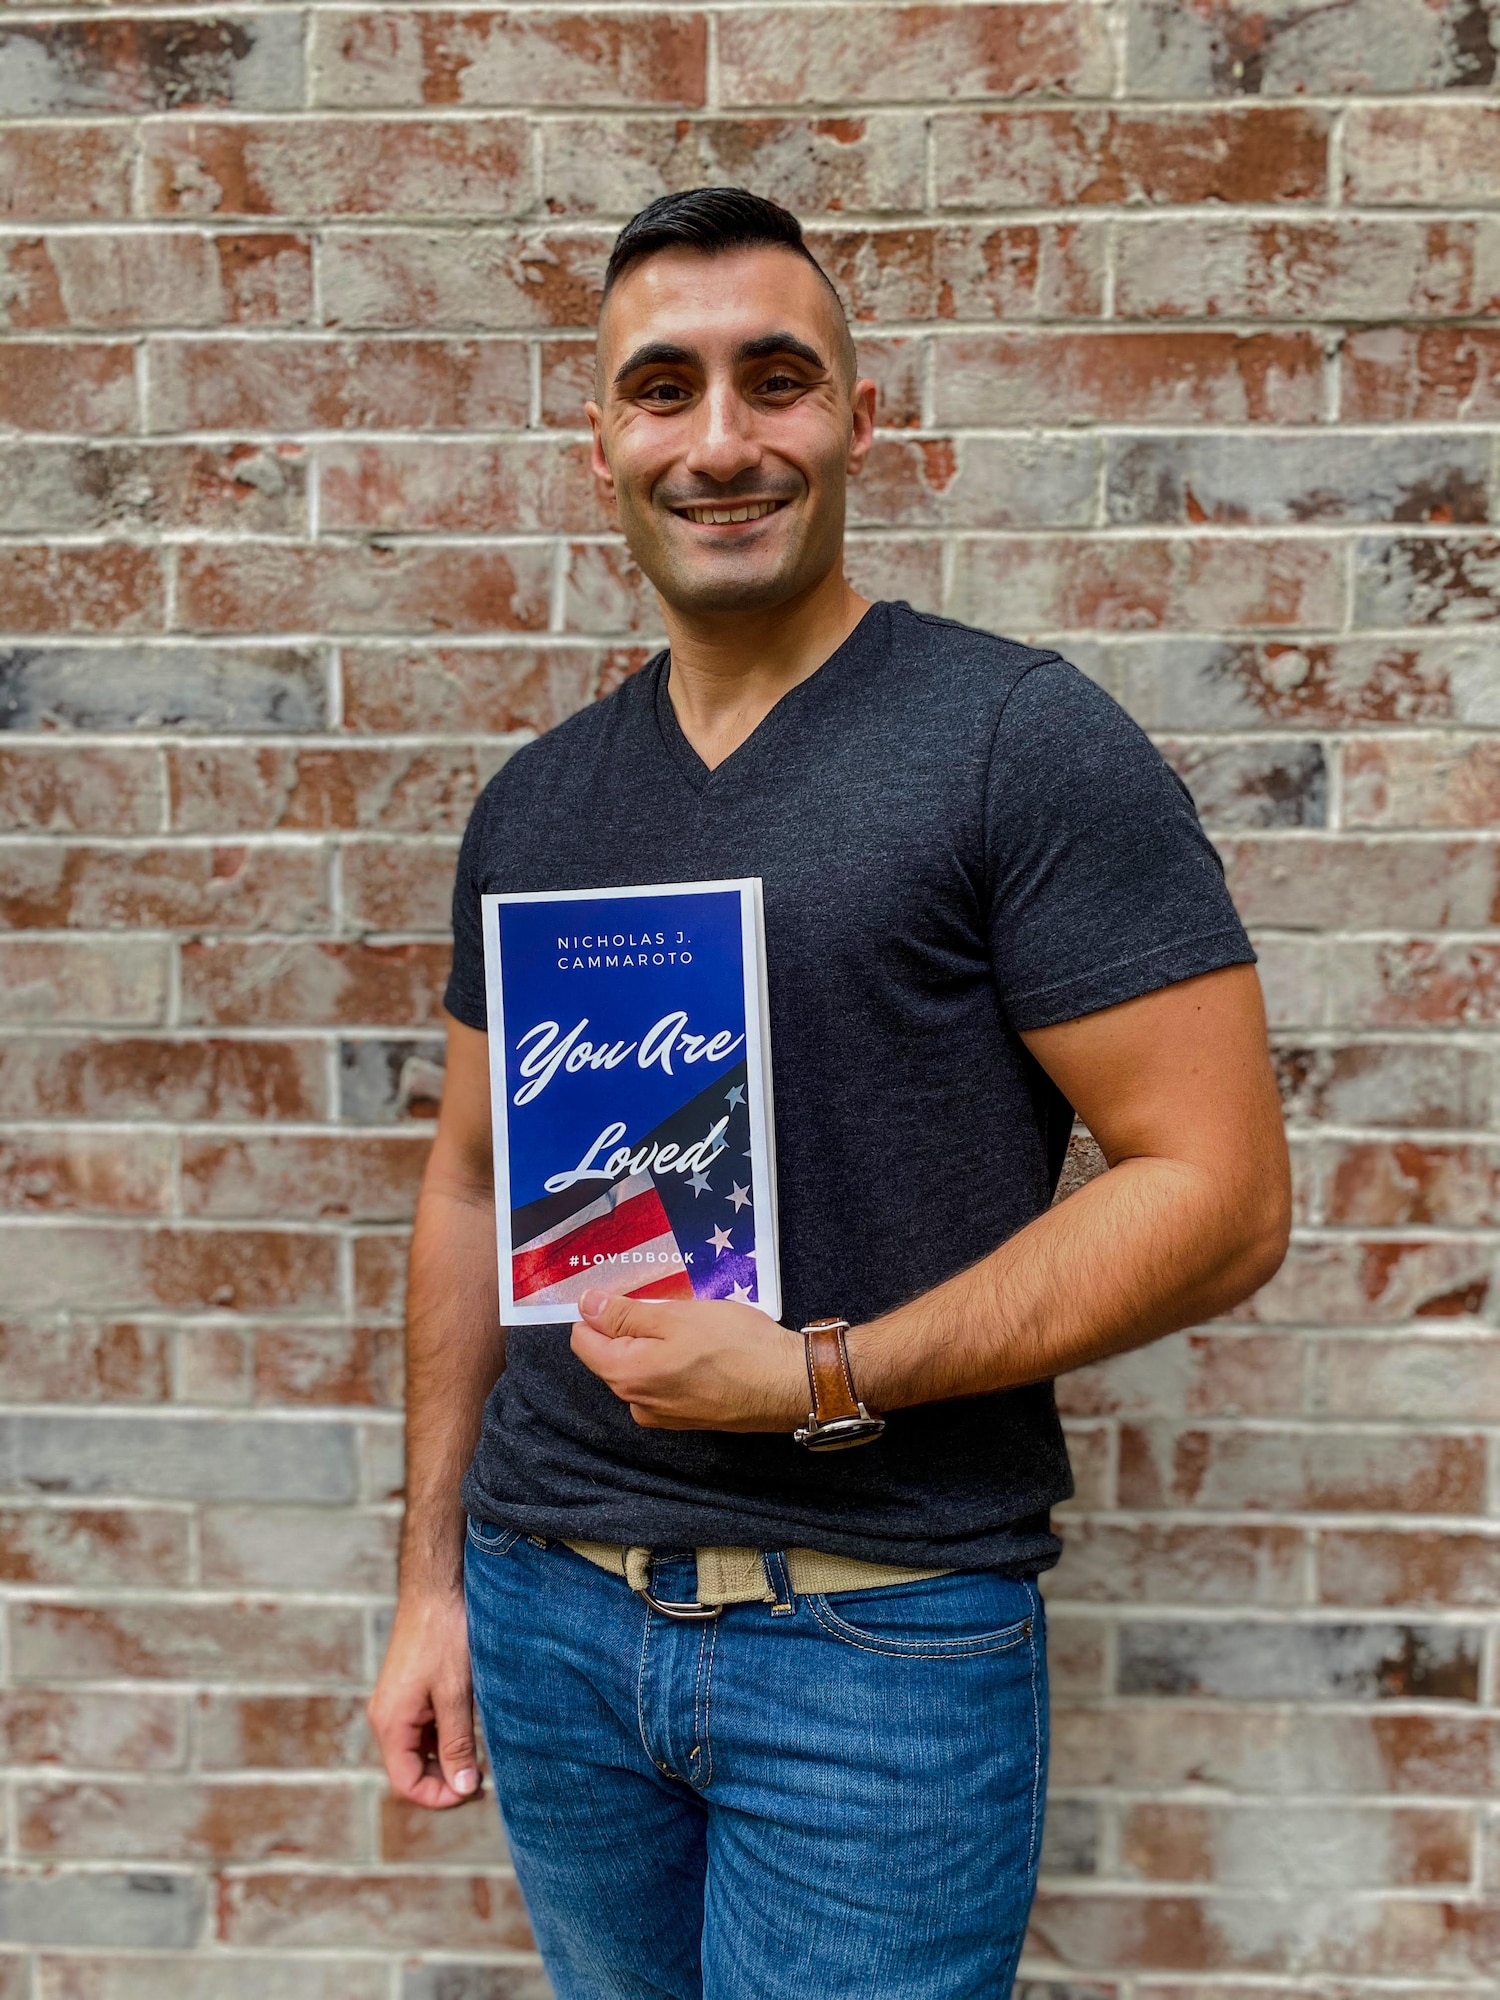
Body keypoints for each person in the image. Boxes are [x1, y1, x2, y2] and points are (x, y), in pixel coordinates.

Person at [368, 187, 1291, 2000]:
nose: (721, 441)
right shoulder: (537, 806)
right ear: (601, 436)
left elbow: (1218, 1194)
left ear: (862, 417)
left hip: (878, 1649)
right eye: (665, 389)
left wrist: (814, 1378)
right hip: (552, 1619)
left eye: (775, 382)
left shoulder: (1018, 745)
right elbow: (476, 1186)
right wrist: (429, 1584)